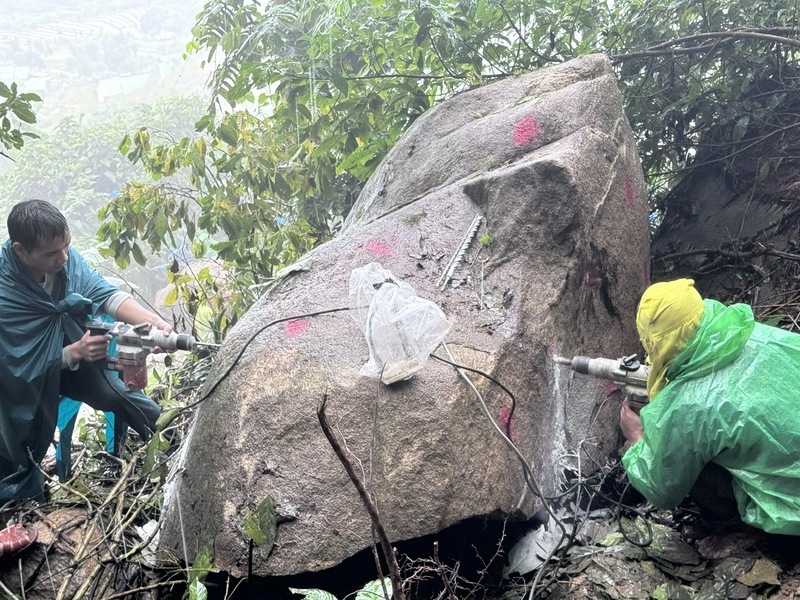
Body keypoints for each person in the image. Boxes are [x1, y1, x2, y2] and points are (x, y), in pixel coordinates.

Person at [0, 199, 172, 502]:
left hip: (72, 364)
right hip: (18, 390)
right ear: (20, 250)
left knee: (118, 395)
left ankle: (175, 447)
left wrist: (154, 325)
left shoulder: (65, 260)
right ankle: (26, 500)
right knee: (17, 450)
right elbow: (10, 364)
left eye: (67, 246)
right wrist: (73, 353)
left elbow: (106, 295)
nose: (64, 258)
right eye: (52, 253)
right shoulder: (5, 288)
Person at [619, 278, 800, 536]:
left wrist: (636, 438)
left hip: (793, 510)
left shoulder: (688, 405)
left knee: (691, 465)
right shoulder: (750, 331)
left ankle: (729, 532)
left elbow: (662, 490)